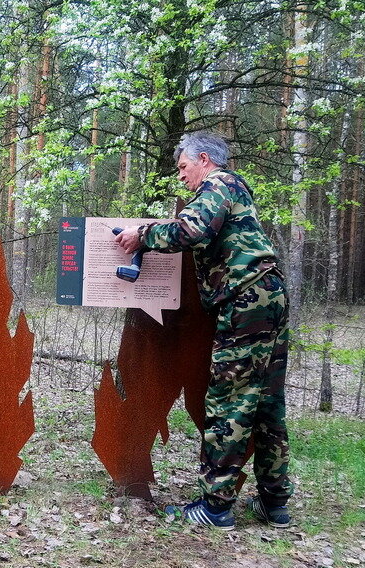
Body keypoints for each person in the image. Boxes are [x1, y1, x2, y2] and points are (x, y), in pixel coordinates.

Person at [114, 132, 293, 530]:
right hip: (268, 295)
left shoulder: (218, 183)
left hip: (246, 301)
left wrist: (142, 235)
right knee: (266, 401)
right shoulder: (234, 188)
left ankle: (215, 507)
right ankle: (274, 502)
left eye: (183, 166)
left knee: (231, 400)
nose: (181, 176)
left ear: (205, 159)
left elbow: (192, 230)